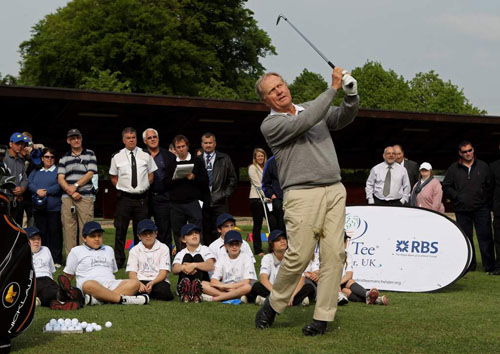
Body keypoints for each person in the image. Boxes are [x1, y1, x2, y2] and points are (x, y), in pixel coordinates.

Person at [255, 67, 359, 336]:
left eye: (280, 85)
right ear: (265, 101)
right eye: (272, 91)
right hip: (301, 194)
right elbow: (307, 120)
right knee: (298, 257)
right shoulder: (271, 125)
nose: (279, 91)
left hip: (334, 190)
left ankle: (322, 317)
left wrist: (350, 95)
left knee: (334, 255)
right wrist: (333, 88)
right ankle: (273, 304)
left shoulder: (312, 107)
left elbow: (340, 118)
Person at [63, 221, 150, 305]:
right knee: (88, 285)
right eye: (93, 236)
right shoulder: (76, 251)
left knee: (134, 283)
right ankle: (124, 299)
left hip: (111, 284)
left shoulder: (109, 249)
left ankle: (100, 300)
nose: (97, 239)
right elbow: (68, 275)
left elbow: (112, 271)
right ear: (84, 238)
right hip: (92, 286)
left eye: (99, 236)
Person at [443, 141, 495, 273]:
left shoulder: (483, 166)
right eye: (464, 151)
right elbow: (446, 186)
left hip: (481, 209)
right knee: (466, 238)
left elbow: (491, 186)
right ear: (460, 153)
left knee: (485, 237)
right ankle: (469, 265)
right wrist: (457, 196)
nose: (468, 153)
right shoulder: (453, 168)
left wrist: (485, 201)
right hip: (462, 209)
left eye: (470, 150)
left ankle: (489, 265)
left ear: (473, 150)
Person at [109, 127, 157, 268]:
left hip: (141, 199)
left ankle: (139, 260)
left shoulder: (145, 155)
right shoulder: (117, 157)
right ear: (124, 140)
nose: (131, 140)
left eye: (133, 137)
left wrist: (145, 185)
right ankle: (119, 261)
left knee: (141, 231)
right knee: (120, 230)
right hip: (124, 199)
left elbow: (151, 174)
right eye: (128, 138)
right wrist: (121, 187)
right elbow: (113, 177)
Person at [247, 230, 315, 306]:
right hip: (272, 289)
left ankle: (267, 300)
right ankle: (297, 301)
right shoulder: (267, 258)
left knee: (309, 287)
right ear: (271, 245)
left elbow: (301, 279)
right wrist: (276, 293)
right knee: (257, 286)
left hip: (290, 291)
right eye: (278, 240)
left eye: (283, 238)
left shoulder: (294, 257)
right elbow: (263, 278)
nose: (282, 241)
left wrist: (292, 295)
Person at [57, 128, 97, 257]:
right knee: (69, 229)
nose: (76, 140)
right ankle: (71, 259)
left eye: (78, 137)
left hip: (85, 196)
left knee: (86, 227)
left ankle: (86, 257)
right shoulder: (64, 157)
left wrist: (75, 186)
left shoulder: (90, 154)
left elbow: (90, 173)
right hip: (68, 197)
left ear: (81, 138)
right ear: (68, 141)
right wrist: (70, 191)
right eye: (73, 138)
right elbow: (60, 178)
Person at [167, 135, 208, 251]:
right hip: (176, 204)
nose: (181, 149)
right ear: (175, 149)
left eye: (183, 146)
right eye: (178, 147)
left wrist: (194, 177)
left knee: (197, 229)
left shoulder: (197, 161)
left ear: (187, 146)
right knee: (178, 231)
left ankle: (200, 254)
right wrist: (174, 178)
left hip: (193, 202)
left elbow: (205, 180)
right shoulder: (171, 163)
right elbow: (165, 183)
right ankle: (181, 256)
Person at [26, 226, 82, 310]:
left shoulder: (45, 250)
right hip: (32, 280)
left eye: (39, 239)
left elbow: (51, 271)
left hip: (47, 280)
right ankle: (63, 297)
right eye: (33, 239)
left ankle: (57, 302)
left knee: (76, 292)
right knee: (49, 291)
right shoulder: (22, 253)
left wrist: (52, 283)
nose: (37, 241)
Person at [199, 132, 238, 245]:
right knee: (205, 230)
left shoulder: (225, 158)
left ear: (215, 143)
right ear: (202, 144)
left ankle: (224, 254)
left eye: (210, 142)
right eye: (206, 143)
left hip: (220, 201)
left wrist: (224, 194)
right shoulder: (198, 159)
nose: (208, 145)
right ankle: (207, 256)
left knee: (222, 230)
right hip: (203, 202)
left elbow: (233, 179)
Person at [28, 147, 63, 266]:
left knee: (55, 233)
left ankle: (56, 259)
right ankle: (43, 258)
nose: (49, 159)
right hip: (38, 209)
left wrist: (46, 191)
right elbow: (29, 183)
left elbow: (60, 185)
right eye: (47, 157)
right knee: (41, 233)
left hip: (54, 208)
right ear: (42, 158)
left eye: (52, 157)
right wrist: (37, 190)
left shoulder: (58, 171)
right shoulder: (36, 171)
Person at [143, 128, 175, 252]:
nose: (152, 139)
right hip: (144, 197)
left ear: (158, 138)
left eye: (154, 137)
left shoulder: (169, 156)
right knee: (144, 228)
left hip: (163, 197)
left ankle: (165, 256)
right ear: (145, 141)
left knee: (164, 229)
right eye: (149, 138)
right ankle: (145, 255)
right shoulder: (140, 155)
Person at [126, 219, 174, 301]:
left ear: (156, 233)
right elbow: (132, 273)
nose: (148, 236)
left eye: (151, 233)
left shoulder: (163, 248)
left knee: (165, 293)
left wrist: (152, 283)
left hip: (157, 280)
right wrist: (139, 284)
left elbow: (164, 272)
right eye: (144, 234)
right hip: (139, 280)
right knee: (129, 287)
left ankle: (144, 294)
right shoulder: (134, 250)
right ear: (139, 236)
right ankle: (145, 292)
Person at [208, 230, 256, 302]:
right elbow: (213, 280)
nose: (234, 247)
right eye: (231, 244)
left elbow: (246, 282)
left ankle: (217, 298)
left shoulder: (247, 257)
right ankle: (234, 296)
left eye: (237, 244)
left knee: (247, 287)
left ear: (240, 245)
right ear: (225, 246)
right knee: (203, 284)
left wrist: (224, 286)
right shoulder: (222, 258)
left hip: (240, 288)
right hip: (227, 289)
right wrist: (229, 289)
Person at [172, 223, 216, 303]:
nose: (194, 235)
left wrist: (194, 265)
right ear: (183, 239)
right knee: (187, 256)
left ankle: (196, 290)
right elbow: (175, 269)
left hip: (202, 280)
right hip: (186, 277)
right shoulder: (181, 252)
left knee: (197, 257)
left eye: (196, 233)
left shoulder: (205, 249)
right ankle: (185, 290)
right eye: (190, 234)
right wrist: (184, 267)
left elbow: (211, 265)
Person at [3, 132, 29, 225]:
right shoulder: (2, 157)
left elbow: (25, 179)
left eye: (22, 144)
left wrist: (22, 188)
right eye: (17, 143)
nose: (20, 146)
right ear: (10, 144)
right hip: (3, 200)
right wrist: (13, 186)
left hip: (16, 201)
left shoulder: (21, 160)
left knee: (16, 228)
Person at [248, 148, 268, 256]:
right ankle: (258, 250)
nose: (260, 158)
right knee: (258, 225)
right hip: (257, 198)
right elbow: (258, 184)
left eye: (262, 156)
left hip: (268, 199)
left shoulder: (267, 167)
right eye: (258, 156)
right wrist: (267, 195)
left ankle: (272, 247)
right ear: (255, 157)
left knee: (272, 223)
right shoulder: (252, 168)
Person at [262, 156, 285, 232]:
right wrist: (272, 195)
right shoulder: (271, 162)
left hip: (294, 198)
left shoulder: (294, 159)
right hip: (278, 200)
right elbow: (265, 184)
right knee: (281, 228)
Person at [489, 153, 500, 275]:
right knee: (498, 239)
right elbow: (489, 187)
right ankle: (499, 266)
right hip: (498, 209)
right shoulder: (493, 167)